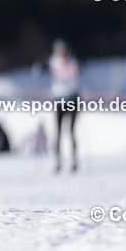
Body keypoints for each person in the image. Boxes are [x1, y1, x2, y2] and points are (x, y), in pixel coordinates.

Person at [49, 38, 80, 172]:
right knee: (58, 132)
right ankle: (58, 160)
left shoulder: (72, 61)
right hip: (59, 100)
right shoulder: (53, 61)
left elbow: (73, 77)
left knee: (71, 131)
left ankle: (73, 159)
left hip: (72, 99)